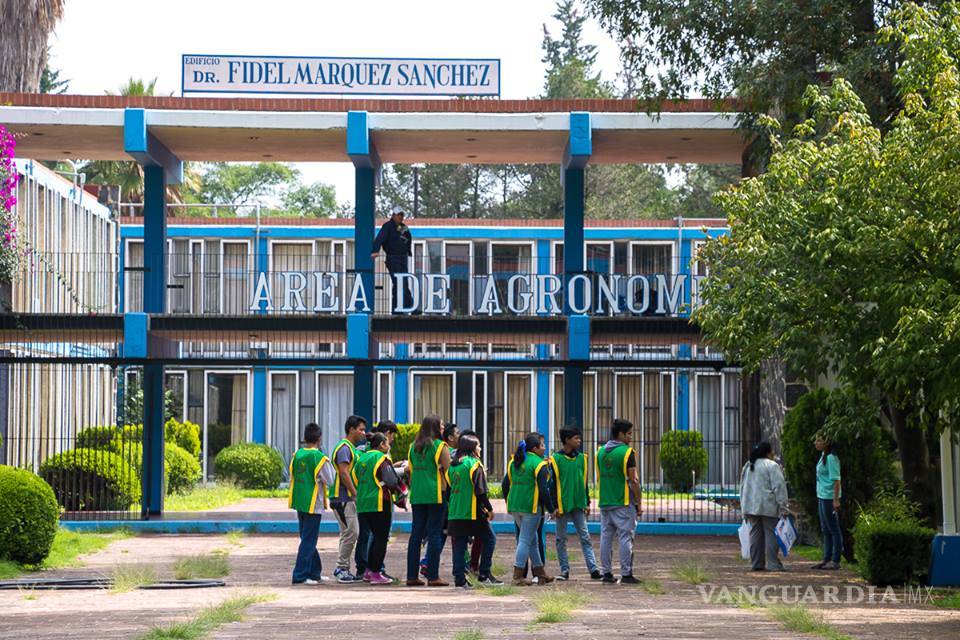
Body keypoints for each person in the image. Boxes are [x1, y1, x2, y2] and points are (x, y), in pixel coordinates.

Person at [446, 434, 502, 588]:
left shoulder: (453, 466)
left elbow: (448, 491)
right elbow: (481, 491)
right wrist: (489, 509)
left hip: (455, 511)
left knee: (460, 545)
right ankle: (484, 574)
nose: (480, 448)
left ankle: (459, 579)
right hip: (472, 511)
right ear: (472, 448)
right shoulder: (474, 465)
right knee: (490, 539)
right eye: (478, 445)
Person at [357, 420, 408, 579]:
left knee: (373, 536)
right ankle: (376, 572)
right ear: (381, 445)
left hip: (363, 503)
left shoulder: (362, 459)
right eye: (387, 443)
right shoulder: (382, 458)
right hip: (379, 501)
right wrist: (399, 489)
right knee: (381, 538)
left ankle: (368, 571)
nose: (389, 445)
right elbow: (391, 480)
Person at [550, 427, 602, 581]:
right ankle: (564, 570)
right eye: (576, 438)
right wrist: (554, 506)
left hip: (578, 504)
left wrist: (586, 501)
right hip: (562, 505)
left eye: (579, 438)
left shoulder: (582, 458)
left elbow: (584, 482)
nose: (579, 441)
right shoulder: (555, 459)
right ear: (566, 440)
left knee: (585, 537)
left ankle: (593, 569)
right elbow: (552, 485)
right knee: (561, 539)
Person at [504, 432, 555, 586]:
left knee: (532, 540)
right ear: (535, 448)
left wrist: (509, 502)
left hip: (515, 506)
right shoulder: (539, 464)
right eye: (542, 445)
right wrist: (551, 509)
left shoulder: (514, 462)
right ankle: (517, 575)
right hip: (531, 507)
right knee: (525, 540)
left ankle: (540, 573)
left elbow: (505, 485)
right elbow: (543, 489)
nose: (544, 448)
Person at [405, 414, 451, 586]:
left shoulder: (412, 447)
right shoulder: (440, 447)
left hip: (417, 494)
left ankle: (411, 576)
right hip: (435, 494)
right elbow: (449, 471)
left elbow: (410, 470)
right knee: (434, 534)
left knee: (416, 535)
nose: (443, 428)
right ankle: (433, 576)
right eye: (441, 425)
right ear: (434, 428)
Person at [597, 418, 643, 585]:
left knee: (606, 538)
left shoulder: (600, 452)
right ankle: (626, 573)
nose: (631, 437)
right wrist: (638, 502)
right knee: (625, 537)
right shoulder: (627, 452)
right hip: (622, 501)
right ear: (621, 434)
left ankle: (607, 573)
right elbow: (634, 480)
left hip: (605, 500)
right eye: (629, 434)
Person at [288, 422, 335, 585]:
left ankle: (315, 572)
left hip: (299, 500)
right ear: (319, 438)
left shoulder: (297, 454)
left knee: (307, 537)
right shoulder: (319, 458)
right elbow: (330, 479)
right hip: (314, 503)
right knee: (309, 540)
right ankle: (300, 575)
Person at [328, 414, 367, 583]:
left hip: (346, 497)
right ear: (351, 430)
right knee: (352, 532)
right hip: (343, 497)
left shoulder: (351, 448)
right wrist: (355, 493)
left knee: (347, 532)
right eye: (361, 429)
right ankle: (341, 568)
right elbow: (344, 473)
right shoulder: (344, 448)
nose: (364, 433)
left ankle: (343, 568)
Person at [739, 441, 790, 571]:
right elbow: (779, 487)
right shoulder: (772, 466)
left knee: (755, 534)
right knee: (771, 534)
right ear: (768, 452)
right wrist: (783, 506)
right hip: (768, 506)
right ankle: (773, 564)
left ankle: (756, 563)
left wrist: (743, 506)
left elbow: (742, 487)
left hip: (750, 506)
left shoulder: (749, 465)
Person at [420, 422, 461, 576]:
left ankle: (428, 562)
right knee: (447, 532)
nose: (459, 435)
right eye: (457, 433)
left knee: (443, 532)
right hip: (448, 497)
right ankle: (429, 562)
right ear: (450, 437)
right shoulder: (449, 452)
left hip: (442, 495)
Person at [372, 205, 414, 314]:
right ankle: (402, 307)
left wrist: (407, 249)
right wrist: (375, 251)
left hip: (402, 258)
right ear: (394, 215)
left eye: (402, 215)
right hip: (393, 258)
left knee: (403, 282)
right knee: (399, 282)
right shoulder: (388, 226)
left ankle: (405, 306)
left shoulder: (401, 227)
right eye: (399, 215)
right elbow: (379, 239)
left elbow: (408, 237)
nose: (401, 217)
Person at [814, 434, 843, 570]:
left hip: (829, 498)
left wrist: (836, 499)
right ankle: (826, 558)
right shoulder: (823, 456)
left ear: (827, 442)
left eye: (819, 440)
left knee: (833, 529)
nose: (816, 443)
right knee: (825, 529)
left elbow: (836, 480)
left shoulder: (831, 458)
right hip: (822, 496)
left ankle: (835, 560)